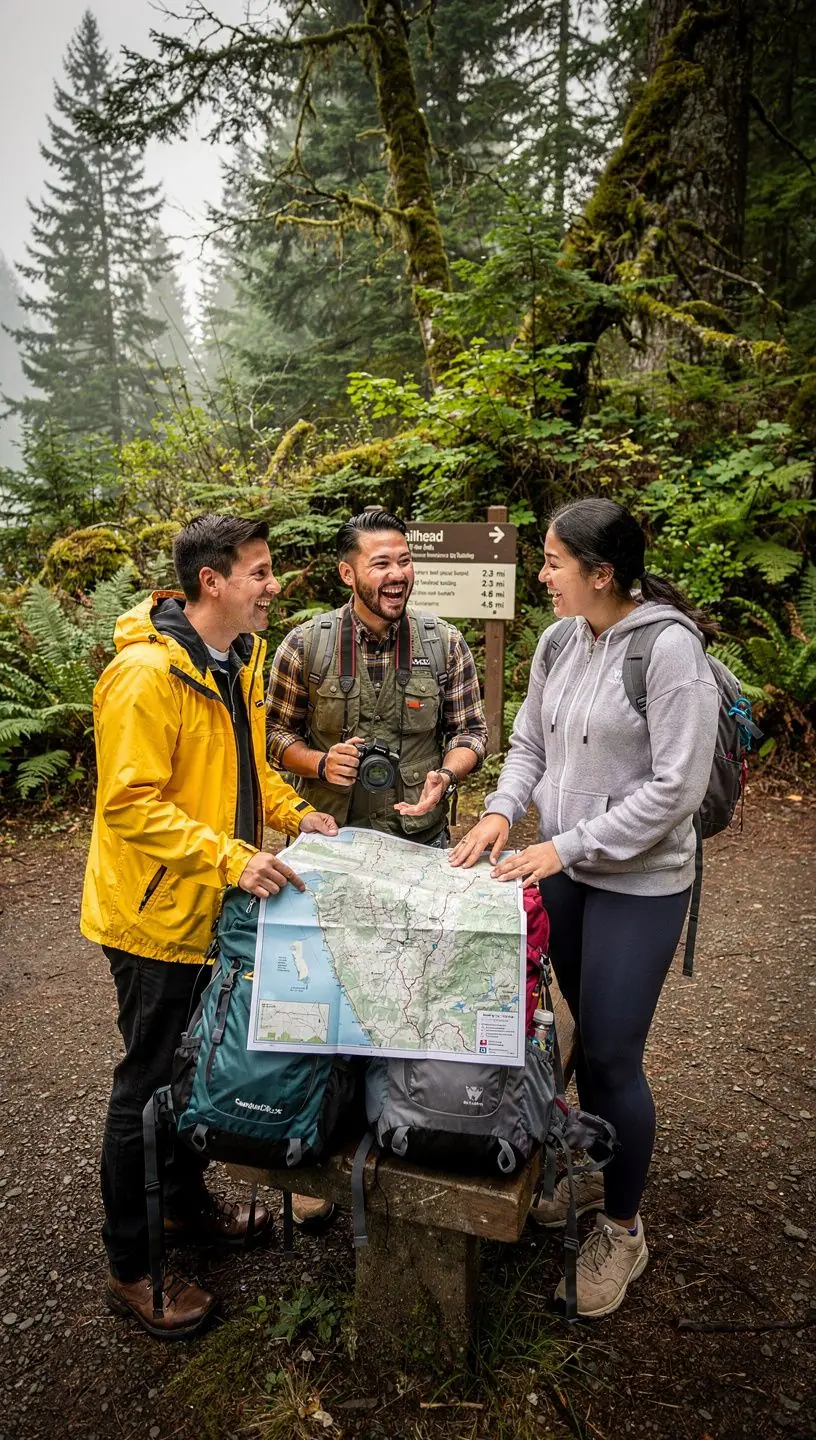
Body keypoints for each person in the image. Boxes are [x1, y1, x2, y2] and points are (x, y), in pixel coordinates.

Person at [450, 497, 720, 1319]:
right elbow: (529, 740)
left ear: (602, 574)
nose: (540, 574)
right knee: (571, 1023)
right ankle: (594, 1159)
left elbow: (675, 789)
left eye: (553, 562)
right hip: (564, 866)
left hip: (639, 880)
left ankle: (625, 1230)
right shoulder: (561, 640)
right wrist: (502, 810)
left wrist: (562, 847)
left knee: (609, 1053)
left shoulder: (671, 653)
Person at [81, 514, 339, 1340]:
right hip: (154, 913)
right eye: (260, 573)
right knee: (148, 1082)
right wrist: (230, 860)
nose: (274, 586)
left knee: (200, 1063)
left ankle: (187, 1212)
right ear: (211, 583)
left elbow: (245, 768)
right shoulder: (143, 678)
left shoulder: (240, 660)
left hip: (212, 906)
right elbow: (129, 805)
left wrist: (298, 812)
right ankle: (132, 1266)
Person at [266, 507, 489, 1226]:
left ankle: (407, 1126)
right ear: (349, 572)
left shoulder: (445, 643)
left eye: (403, 561)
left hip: (418, 851)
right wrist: (314, 761)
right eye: (381, 564)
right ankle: (319, 1148)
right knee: (324, 999)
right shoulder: (305, 645)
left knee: (413, 997)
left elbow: (472, 733)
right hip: (329, 853)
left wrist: (447, 778)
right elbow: (274, 736)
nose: (397, 576)